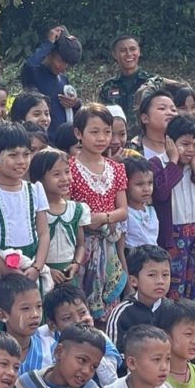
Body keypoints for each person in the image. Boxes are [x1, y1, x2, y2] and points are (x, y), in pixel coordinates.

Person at [0, 123, 51, 295]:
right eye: (13, 155)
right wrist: (6, 270)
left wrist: (36, 267)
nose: (21, 161)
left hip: (31, 264)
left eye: (26, 154)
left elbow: (43, 233)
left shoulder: (35, 190)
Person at [69, 105, 128, 315]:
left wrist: (102, 217)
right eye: (94, 132)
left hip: (109, 245)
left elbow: (123, 210)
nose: (102, 138)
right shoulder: (69, 169)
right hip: (81, 245)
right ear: (78, 133)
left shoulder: (116, 168)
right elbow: (67, 209)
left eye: (107, 131)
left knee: (109, 305)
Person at [151, 115, 195, 300]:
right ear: (169, 142)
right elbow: (160, 193)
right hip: (171, 238)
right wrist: (173, 162)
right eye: (185, 144)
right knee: (172, 287)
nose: (191, 150)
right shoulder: (158, 164)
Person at [32, 147, 87, 286]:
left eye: (67, 172)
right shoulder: (35, 211)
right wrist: (47, 270)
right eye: (56, 174)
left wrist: (76, 263)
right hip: (43, 275)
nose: (65, 178)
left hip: (69, 276)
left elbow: (80, 244)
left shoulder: (76, 209)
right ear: (39, 179)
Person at [20, 25, 82, 134]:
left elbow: (72, 113)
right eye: (60, 60)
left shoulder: (63, 80)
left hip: (61, 140)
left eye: (66, 63)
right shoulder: (34, 73)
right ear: (50, 52)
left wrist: (75, 103)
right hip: (39, 138)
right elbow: (29, 66)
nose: (62, 66)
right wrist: (48, 43)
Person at [106, 244, 169, 350]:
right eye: (152, 275)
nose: (160, 281)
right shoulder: (122, 313)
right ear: (133, 281)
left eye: (165, 275)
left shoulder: (172, 310)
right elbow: (114, 355)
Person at [98, 35, 152, 137]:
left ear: (139, 52)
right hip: (115, 143)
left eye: (133, 49)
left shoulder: (153, 83)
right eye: (123, 50)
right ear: (114, 54)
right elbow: (101, 117)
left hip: (145, 143)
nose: (129, 54)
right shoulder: (108, 87)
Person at [120, 155, 157, 251]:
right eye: (139, 184)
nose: (146, 189)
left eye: (150, 183)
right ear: (125, 184)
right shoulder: (124, 214)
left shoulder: (151, 210)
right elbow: (121, 249)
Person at [132, 88, 176, 163]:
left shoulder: (183, 146)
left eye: (173, 110)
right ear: (145, 118)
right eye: (162, 108)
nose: (170, 113)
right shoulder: (132, 150)